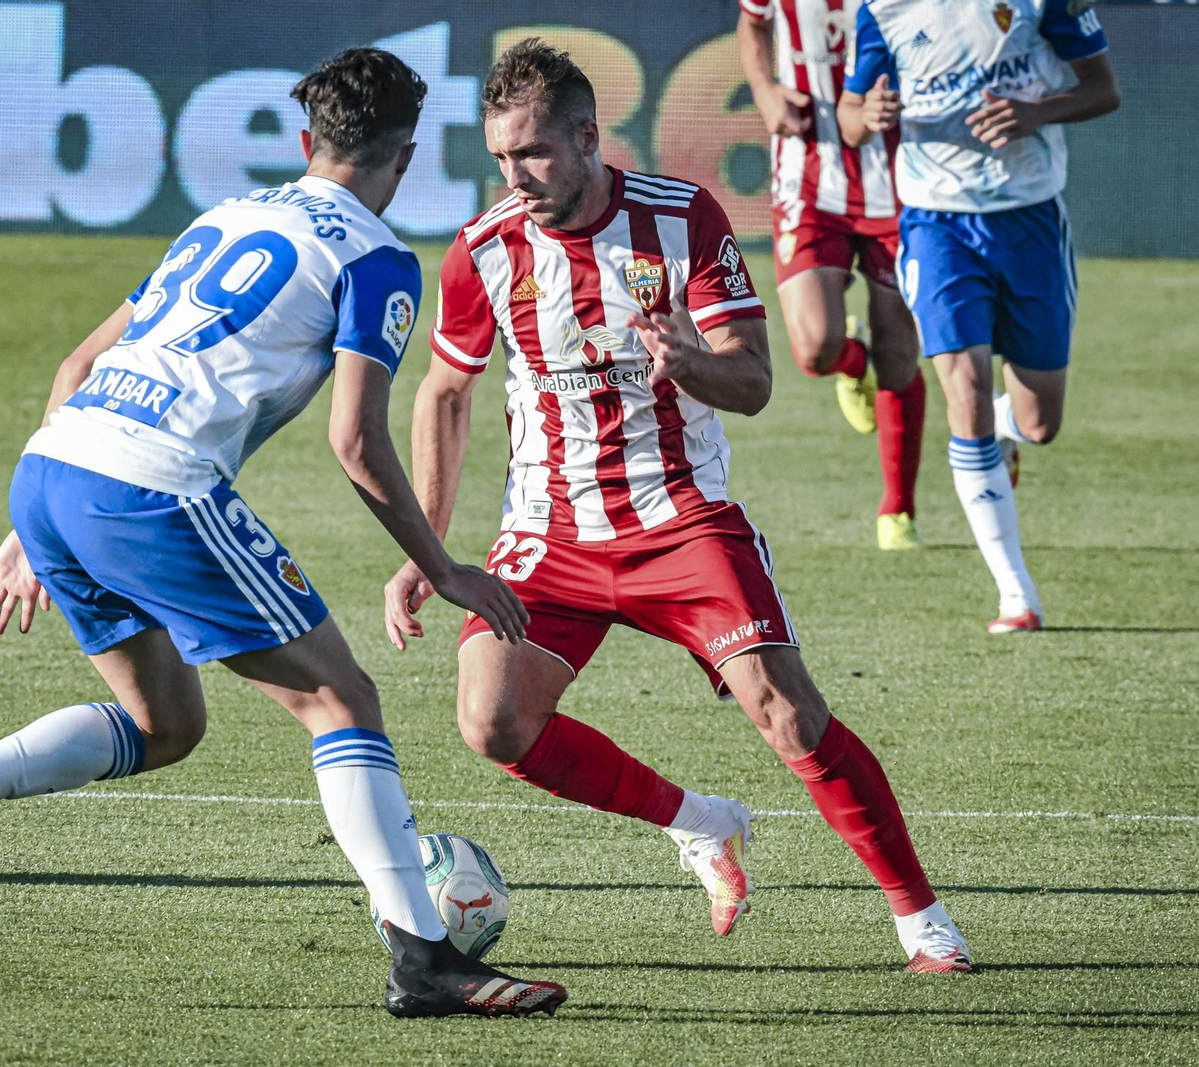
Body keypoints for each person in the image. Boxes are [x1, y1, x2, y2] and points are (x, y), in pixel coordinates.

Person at [0, 47, 566, 1020]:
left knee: (166, 725)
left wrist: (33, 518)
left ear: (302, 141)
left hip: (54, 470)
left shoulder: (226, 216)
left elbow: (76, 363)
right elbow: (356, 439)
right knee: (341, 697)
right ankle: (423, 959)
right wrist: (439, 565)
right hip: (154, 491)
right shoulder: (373, 257)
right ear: (406, 158)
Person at [384, 38, 971, 973]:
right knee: (492, 720)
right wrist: (425, 544)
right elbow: (444, 395)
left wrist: (692, 361)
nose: (515, 175)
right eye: (499, 156)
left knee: (788, 713)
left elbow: (754, 380)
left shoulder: (683, 216)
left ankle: (921, 917)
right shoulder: (483, 250)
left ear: (587, 136)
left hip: (682, 518)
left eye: (532, 151)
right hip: (551, 533)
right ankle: (700, 825)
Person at [837, 0, 1121, 631]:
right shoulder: (881, 11)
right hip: (937, 226)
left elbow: (1104, 90)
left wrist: (1036, 113)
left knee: (1039, 423)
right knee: (962, 389)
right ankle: (1015, 595)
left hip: (1031, 221)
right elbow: (850, 117)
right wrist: (867, 116)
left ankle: (1001, 431)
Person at [736, 0, 927, 550]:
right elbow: (752, 25)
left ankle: (898, 509)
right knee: (816, 346)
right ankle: (851, 363)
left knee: (899, 354)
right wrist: (765, 89)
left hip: (902, 181)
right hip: (808, 173)